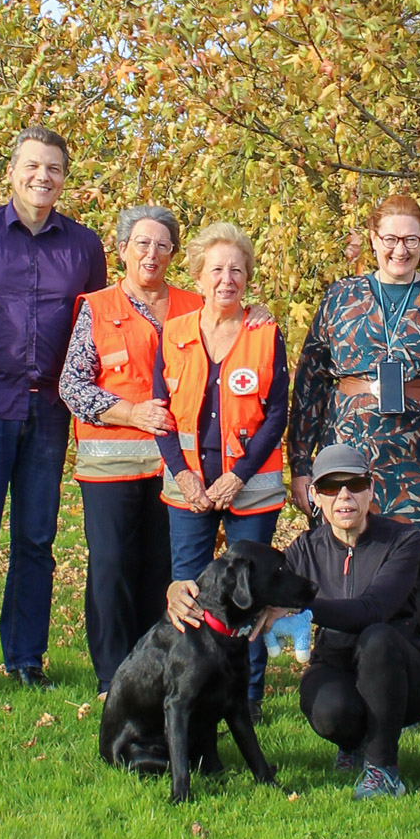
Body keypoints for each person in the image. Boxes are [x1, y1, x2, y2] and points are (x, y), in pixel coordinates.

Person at [168, 443, 420, 800]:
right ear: (315, 495)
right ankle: (352, 743)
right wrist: (178, 588)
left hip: (406, 673)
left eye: (355, 485)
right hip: (337, 663)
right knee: (329, 712)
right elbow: (238, 575)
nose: (344, 496)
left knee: (377, 637)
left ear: (371, 488)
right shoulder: (305, 548)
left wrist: (304, 609)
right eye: (331, 487)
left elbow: (372, 609)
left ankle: (383, 769)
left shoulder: (404, 540)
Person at [287, 194, 420, 644]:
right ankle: (339, 666)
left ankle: (410, 676)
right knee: (344, 561)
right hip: (351, 453)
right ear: (373, 239)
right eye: (390, 238)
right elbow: (311, 382)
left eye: (410, 239)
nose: (400, 249)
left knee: (413, 570)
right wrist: (300, 464)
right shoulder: (341, 297)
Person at [0, 125, 106, 697]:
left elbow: (93, 333)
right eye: (33, 166)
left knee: (37, 538)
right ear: (12, 171)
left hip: (49, 410)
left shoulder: (84, 247)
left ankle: (25, 656)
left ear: (65, 179)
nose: (43, 177)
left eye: (55, 169)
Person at [59, 206, 202, 697]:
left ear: (174, 254)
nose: (152, 253)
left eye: (163, 244)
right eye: (141, 243)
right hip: (112, 463)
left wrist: (259, 316)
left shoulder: (197, 305)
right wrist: (132, 412)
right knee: (113, 566)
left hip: (176, 466)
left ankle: (158, 668)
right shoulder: (96, 307)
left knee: (164, 568)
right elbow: (72, 385)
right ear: (122, 249)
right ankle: (112, 678)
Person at [153, 221, 288, 723]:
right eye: (216, 269)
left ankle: (247, 697)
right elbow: (160, 409)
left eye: (236, 269)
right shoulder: (175, 332)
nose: (226, 279)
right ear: (198, 275)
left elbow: (276, 413)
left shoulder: (265, 332)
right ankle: (187, 686)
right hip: (187, 485)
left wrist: (239, 475)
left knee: (247, 597)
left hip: (249, 488)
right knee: (188, 592)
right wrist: (182, 473)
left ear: (248, 277)